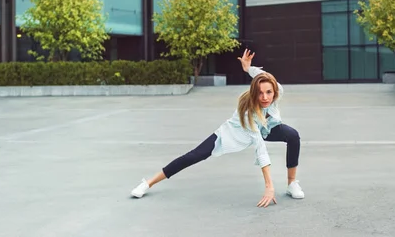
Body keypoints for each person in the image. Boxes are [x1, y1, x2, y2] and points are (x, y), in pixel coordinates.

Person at [130, 49, 304, 207]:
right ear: (253, 92)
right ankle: (148, 183)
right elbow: (260, 147)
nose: (265, 97)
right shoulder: (248, 112)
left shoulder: (277, 89)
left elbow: (262, 75)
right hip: (235, 133)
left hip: (268, 127)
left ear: (274, 91)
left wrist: (248, 68)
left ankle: (291, 184)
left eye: (269, 92)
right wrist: (269, 186)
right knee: (194, 155)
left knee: (293, 135)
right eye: (259, 92)